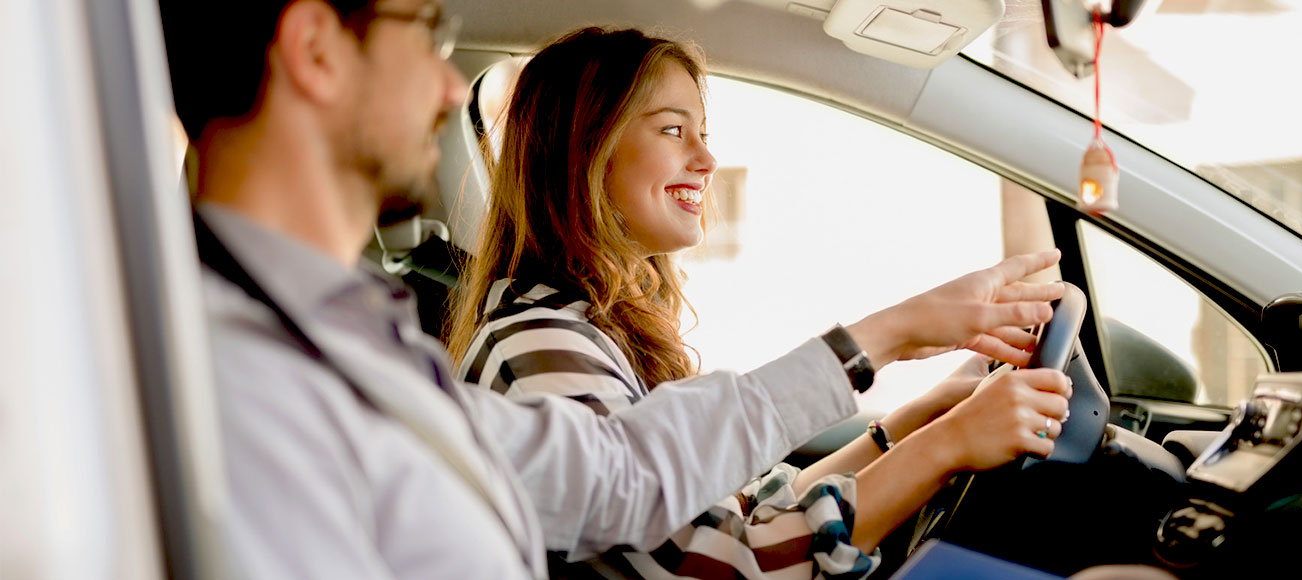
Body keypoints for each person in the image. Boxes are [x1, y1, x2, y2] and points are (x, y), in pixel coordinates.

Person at [158, 0, 1068, 578]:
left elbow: (636, 484)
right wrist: (935, 416)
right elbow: (711, 559)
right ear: (316, 47)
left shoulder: (347, 342)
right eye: (423, 25)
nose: (446, 83)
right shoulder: (251, 377)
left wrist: (922, 403)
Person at [447, 27, 1075, 579]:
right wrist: (950, 444)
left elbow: (741, 508)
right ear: (584, 150)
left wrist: (920, 418)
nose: (707, 159)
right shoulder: (535, 347)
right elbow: (727, 565)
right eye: (672, 129)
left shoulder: (585, 330)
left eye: (702, 132)